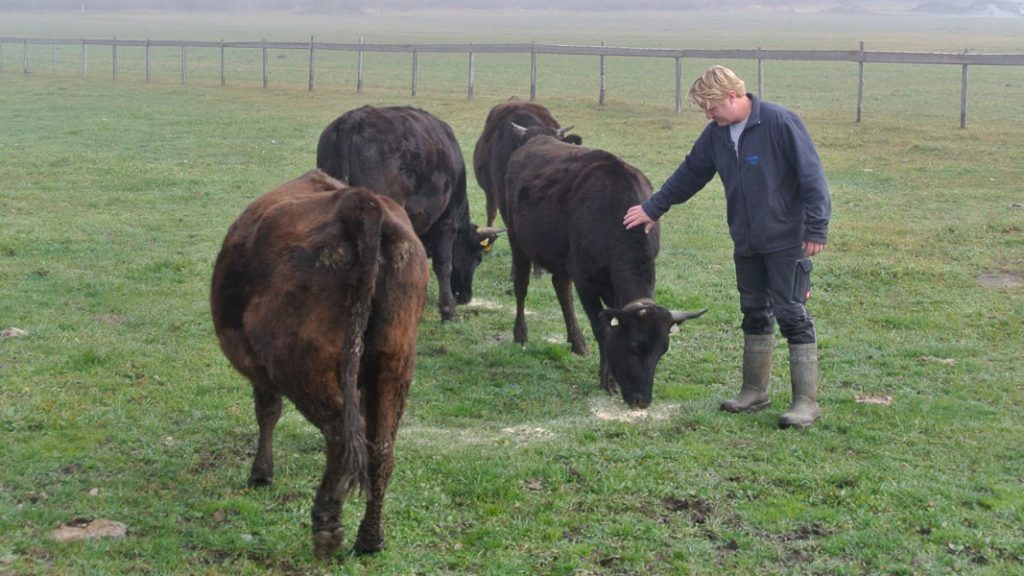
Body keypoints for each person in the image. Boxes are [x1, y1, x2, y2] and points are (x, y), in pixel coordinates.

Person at [623, 65, 831, 429]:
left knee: (791, 314)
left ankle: (805, 402)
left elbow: (812, 177)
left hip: (786, 240)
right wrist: (653, 208)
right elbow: (691, 173)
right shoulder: (716, 135)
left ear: (733, 97)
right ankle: (754, 391)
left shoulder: (781, 123)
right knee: (753, 311)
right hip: (746, 240)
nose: (708, 115)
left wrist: (816, 228)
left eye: (711, 107)